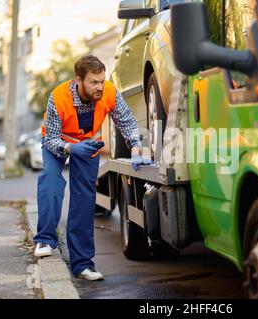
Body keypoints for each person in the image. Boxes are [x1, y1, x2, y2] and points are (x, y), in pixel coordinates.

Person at [33, 55, 152, 281]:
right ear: (78, 80)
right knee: (51, 181)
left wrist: (136, 146)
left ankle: (82, 265)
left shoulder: (108, 91)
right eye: (93, 82)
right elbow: (50, 140)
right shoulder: (58, 97)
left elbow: (125, 119)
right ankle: (45, 239)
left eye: (101, 81)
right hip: (58, 143)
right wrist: (70, 148)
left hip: (88, 147)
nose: (99, 87)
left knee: (84, 200)